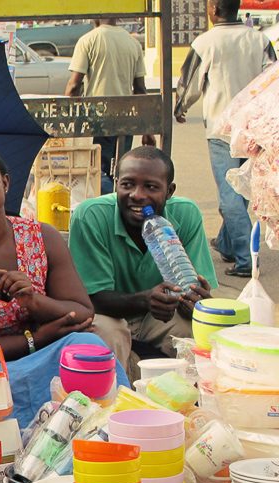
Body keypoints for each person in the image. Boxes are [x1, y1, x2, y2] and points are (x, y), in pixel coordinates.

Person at [0, 145, 124, 427]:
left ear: (5, 181)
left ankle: (114, 429)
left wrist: (35, 302)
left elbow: (82, 312)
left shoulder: (43, 237)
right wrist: (34, 340)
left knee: (87, 343)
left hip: (47, 354)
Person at [69, 146, 217, 379]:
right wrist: (146, 300)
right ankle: (112, 400)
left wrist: (198, 302)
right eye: (127, 184)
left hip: (160, 316)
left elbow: (195, 285)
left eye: (150, 187)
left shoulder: (186, 214)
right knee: (106, 334)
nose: (137, 195)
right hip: (108, 313)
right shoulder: (92, 216)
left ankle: (187, 402)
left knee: (196, 333)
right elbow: (89, 299)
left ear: (169, 191)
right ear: (116, 183)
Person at [175, 0, 276, 278]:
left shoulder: (206, 42)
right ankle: (228, 243)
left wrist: (180, 107)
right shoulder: (259, 39)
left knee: (229, 196)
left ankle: (246, 259)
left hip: (221, 129)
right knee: (241, 186)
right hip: (255, 128)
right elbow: (273, 79)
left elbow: (190, 84)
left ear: (213, 10)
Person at [65, 19, 154, 193]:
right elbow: (140, 89)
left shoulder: (88, 40)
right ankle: (118, 205)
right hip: (127, 118)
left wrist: (66, 120)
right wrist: (147, 129)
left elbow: (74, 86)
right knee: (120, 168)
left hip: (97, 118)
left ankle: (107, 207)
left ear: (95, 18)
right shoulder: (133, 43)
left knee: (99, 170)